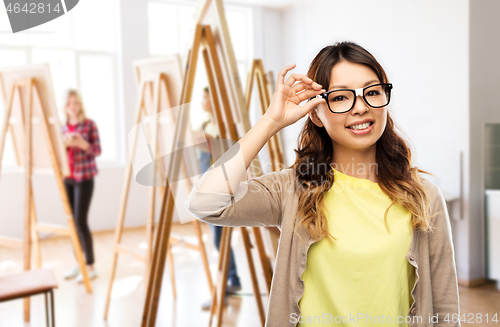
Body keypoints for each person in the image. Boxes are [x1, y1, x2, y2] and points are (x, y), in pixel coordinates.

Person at [185, 41, 460, 326]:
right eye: (341, 97)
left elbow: (445, 307)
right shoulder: (292, 190)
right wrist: (270, 121)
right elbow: (204, 203)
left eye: (372, 92)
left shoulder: (424, 196)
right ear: (315, 113)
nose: (361, 108)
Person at [197, 86, 242, 310]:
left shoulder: (223, 125)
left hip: (220, 189)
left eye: (206, 97)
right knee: (219, 238)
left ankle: (224, 288)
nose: (202, 101)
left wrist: (208, 142)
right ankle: (233, 280)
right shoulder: (205, 124)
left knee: (219, 239)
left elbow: (230, 158)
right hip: (205, 188)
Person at [61, 89, 102, 283]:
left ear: (80, 105)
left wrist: (82, 144)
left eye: (76, 103)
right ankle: (78, 262)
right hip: (67, 177)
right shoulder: (62, 128)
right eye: (70, 103)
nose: (73, 107)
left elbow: (97, 150)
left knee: (81, 222)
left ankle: (90, 265)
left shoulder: (89, 125)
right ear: (65, 107)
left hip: (84, 178)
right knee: (72, 222)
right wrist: (65, 144)